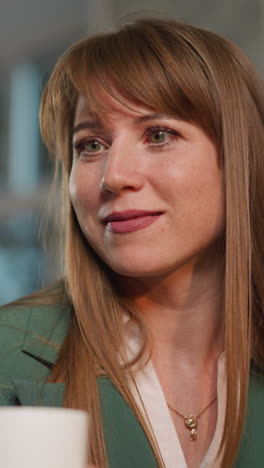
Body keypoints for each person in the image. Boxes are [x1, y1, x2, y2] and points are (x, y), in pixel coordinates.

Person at [0, 15, 264, 468]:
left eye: (158, 135)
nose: (113, 175)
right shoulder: (8, 357)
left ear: (239, 159)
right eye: (91, 145)